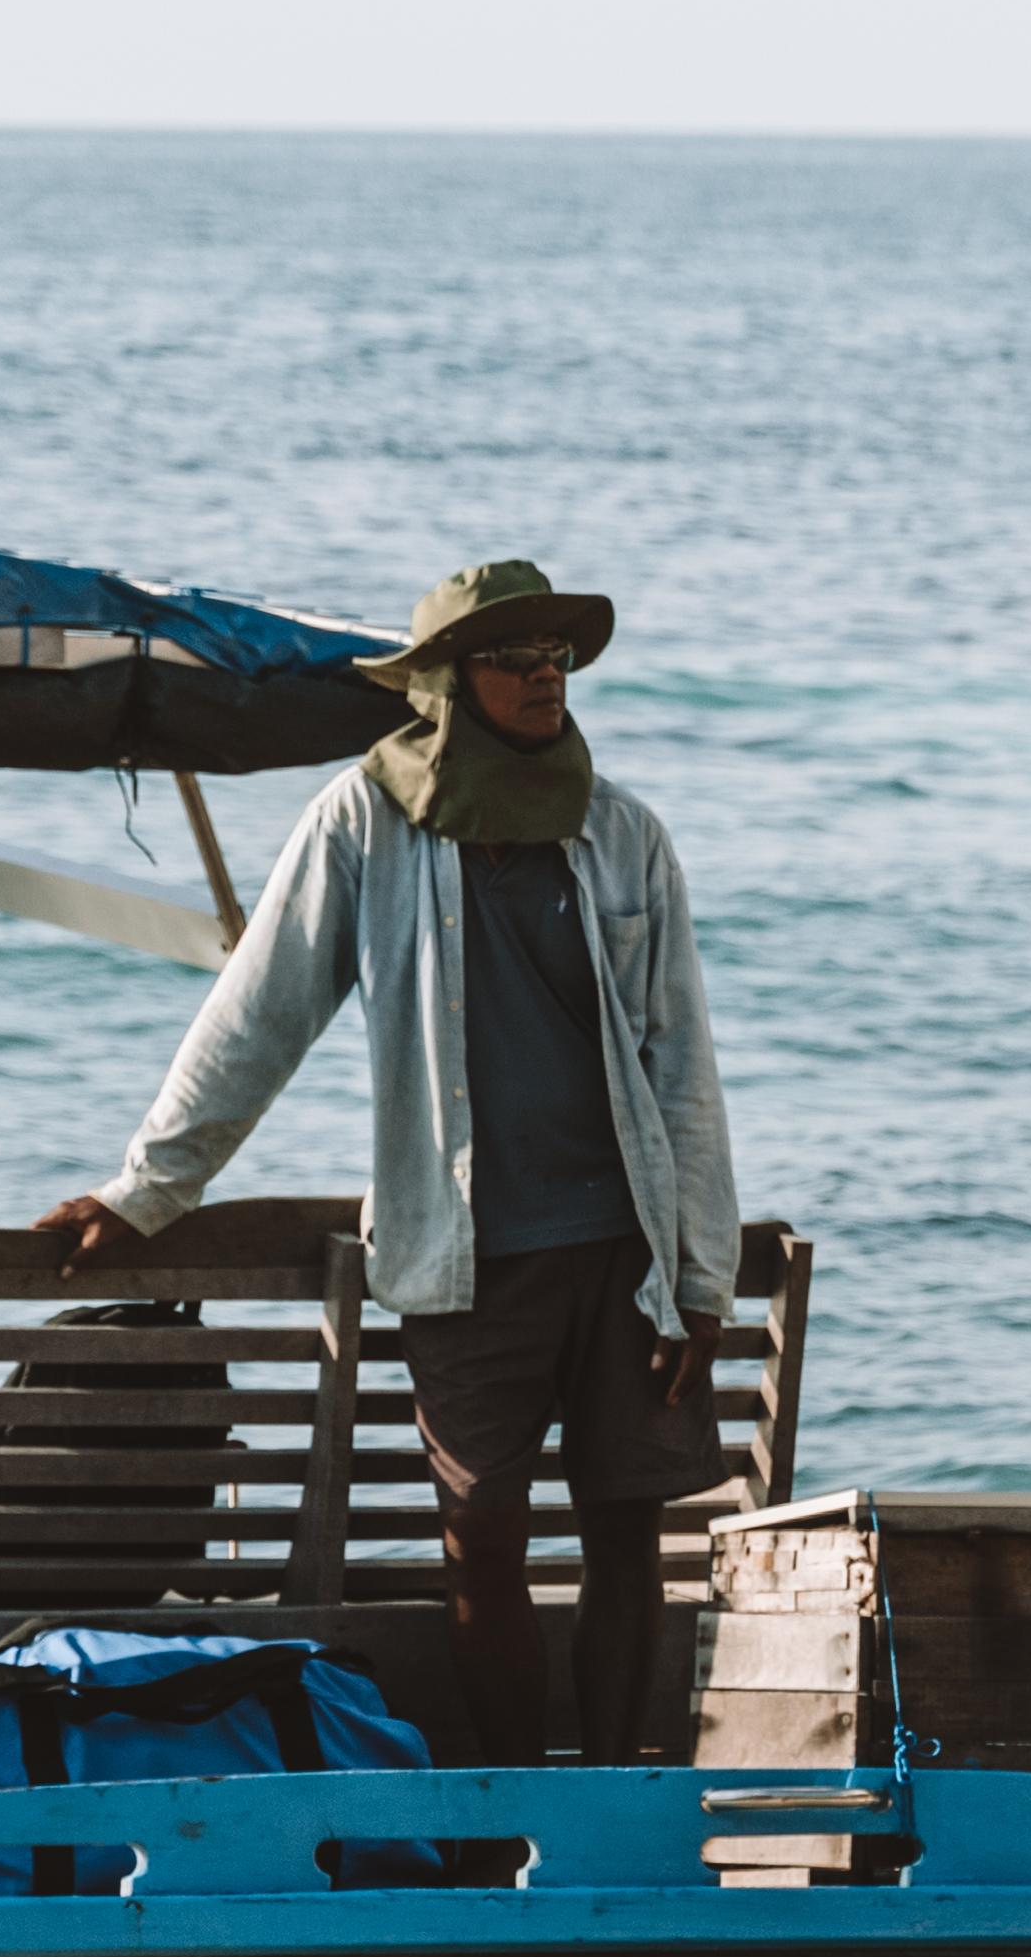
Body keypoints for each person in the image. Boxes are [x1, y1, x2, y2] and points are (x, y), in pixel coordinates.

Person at [38, 560, 737, 1765]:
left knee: (627, 1540)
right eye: (515, 659)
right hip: (460, 1253)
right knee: (483, 1536)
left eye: (556, 657)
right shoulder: (364, 822)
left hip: (625, 1251)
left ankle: (619, 1801)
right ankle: (517, 1805)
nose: (544, 678)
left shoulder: (621, 832)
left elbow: (682, 1063)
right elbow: (257, 1018)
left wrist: (699, 1276)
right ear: (447, 683)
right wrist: (147, 1189)